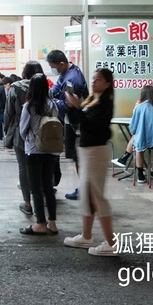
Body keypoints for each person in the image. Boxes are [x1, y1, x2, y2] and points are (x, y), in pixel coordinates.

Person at [63, 67, 118, 256]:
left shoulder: (104, 102)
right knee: (86, 194)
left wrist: (77, 106)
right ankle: (86, 236)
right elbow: (79, 121)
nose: (94, 82)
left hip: (96, 151)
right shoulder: (92, 99)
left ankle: (112, 243)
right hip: (86, 149)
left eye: (99, 80)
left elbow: (91, 123)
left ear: (108, 83)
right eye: (94, 79)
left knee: (96, 195)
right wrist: (73, 106)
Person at [18, 73, 60, 235]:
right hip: (52, 149)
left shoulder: (29, 107)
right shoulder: (52, 105)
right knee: (48, 187)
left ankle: (40, 224)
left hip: (34, 151)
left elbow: (23, 130)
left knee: (36, 189)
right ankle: (53, 223)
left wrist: (31, 141)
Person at [4, 61, 44, 216]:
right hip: (41, 132)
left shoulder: (15, 87)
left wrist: (7, 130)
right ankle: (41, 201)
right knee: (40, 169)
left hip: (21, 131)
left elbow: (9, 112)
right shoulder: (45, 86)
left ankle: (27, 204)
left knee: (23, 167)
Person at [46, 50, 88, 200]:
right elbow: (56, 92)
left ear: (62, 64)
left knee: (79, 157)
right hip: (71, 122)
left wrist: (54, 102)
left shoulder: (74, 79)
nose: (54, 70)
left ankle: (85, 188)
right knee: (76, 157)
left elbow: (67, 104)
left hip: (78, 124)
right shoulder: (66, 74)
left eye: (54, 67)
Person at [113, 85, 153, 183]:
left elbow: (133, 127)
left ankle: (140, 175)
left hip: (146, 141)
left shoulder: (140, 107)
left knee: (138, 145)